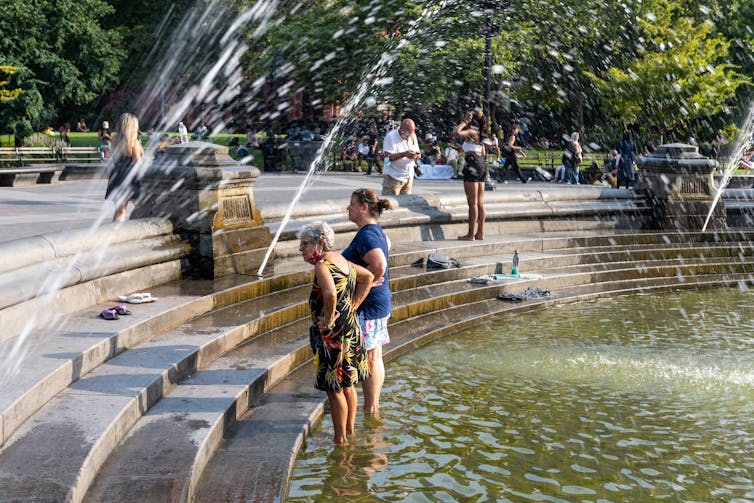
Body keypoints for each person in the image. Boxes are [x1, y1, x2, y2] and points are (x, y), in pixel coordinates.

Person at [300, 221, 373, 445]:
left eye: (304, 245)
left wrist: (329, 318)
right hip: (350, 329)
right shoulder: (343, 261)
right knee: (348, 384)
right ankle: (349, 433)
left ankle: (339, 440)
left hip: (333, 336)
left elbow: (330, 294)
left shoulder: (322, 265)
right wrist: (353, 304)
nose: (300, 250)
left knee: (334, 389)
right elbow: (368, 277)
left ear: (320, 244)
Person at [342, 188, 393, 416]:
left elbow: (379, 264)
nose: (348, 208)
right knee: (375, 355)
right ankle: (372, 407)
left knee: (370, 357)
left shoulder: (367, 235)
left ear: (363, 207)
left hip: (369, 307)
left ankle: (371, 408)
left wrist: (366, 283)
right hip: (378, 304)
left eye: (352, 204)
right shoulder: (374, 231)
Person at [452, 109, 489, 241]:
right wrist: (466, 152)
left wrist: (463, 122)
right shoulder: (481, 135)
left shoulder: (472, 131)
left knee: (472, 203)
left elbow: (455, 133)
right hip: (481, 164)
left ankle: (470, 235)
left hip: (472, 165)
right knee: (480, 203)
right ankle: (480, 233)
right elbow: (482, 153)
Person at [105, 113, 144, 222]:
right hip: (130, 178)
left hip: (116, 176)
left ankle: (114, 233)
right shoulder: (134, 143)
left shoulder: (115, 140)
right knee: (142, 206)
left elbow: (113, 158)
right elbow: (138, 162)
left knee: (120, 209)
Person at [382, 118, 421, 195]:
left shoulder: (412, 135)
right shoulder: (391, 137)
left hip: (408, 176)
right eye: (408, 133)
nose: (409, 136)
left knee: (405, 204)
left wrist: (415, 156)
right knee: (390, 203)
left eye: (411, 133)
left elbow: (419, 154)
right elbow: (387, 159)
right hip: (393, 177)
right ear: (401, 128)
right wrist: (404, 154)